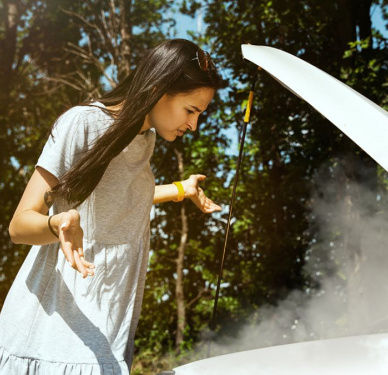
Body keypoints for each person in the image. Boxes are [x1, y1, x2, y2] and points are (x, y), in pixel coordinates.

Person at [0, 39, 223, 374]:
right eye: (191, 111)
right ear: (157, 88)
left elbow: (119, 197)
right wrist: (57, 223)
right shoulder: (82, 124)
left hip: (107, 328)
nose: (193, 125)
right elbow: (19, 226)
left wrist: (181, 189)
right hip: (51, 335)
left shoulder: (144, 139)